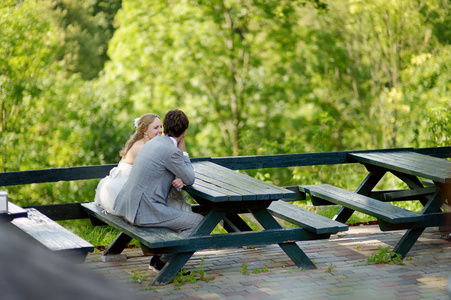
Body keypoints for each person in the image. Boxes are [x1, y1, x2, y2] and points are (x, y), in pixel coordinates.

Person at [114, 109, 204, 272]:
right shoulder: (173, 151)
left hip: (128, 205)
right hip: (142, 211)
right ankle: (164, 262)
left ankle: (158, 257)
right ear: (184, 132)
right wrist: (183, 152)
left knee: (179, 213)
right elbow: (190, 178)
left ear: (165, 126)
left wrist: (178, 175)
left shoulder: (153, 143)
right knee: (198, 222)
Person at [94, 113, 191, 215]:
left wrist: (180, 177)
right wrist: (181, 173)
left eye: (161, 127)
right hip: (121, 189)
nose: (160, 131)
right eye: (156, 128)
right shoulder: (143, 147)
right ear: (145, 131)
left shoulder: (150, 144)